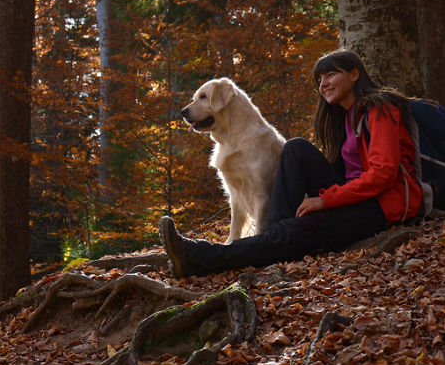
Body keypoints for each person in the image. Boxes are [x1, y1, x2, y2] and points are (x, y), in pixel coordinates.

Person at [160, 49, 423, 278]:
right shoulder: (345, 117)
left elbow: (384, 174)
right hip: (353, 196)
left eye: (331, 75)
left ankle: (199, 257)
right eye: (320, 79)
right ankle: (270, 241)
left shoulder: (381, 109)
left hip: (381, 206)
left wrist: (325, 201)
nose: (324, 84)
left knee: (291, 231)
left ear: (355, 74)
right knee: (295, 147)